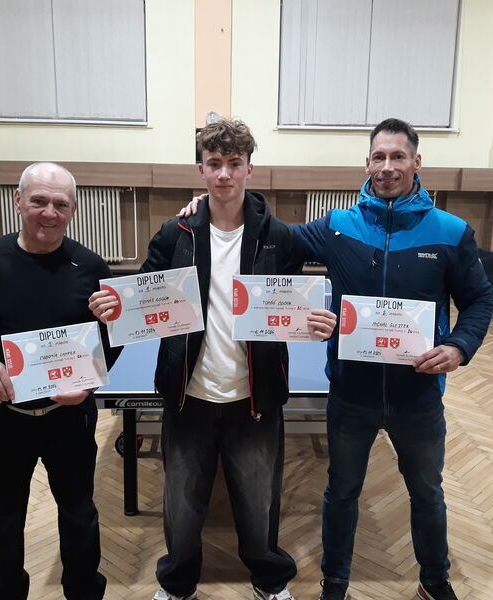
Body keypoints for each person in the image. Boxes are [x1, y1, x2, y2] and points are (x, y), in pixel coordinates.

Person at [181, 118, 493, 600]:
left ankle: (435, 580)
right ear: (367, 163)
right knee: (342, 491)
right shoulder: (339, 226)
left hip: (418, 396)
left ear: (416, 161)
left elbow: (479, 300)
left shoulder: (452, 232)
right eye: (379, 157)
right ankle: (336, 581)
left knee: (428, 493)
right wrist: (212, 205)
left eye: (398, 156)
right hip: (351, 394)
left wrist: (458, 346)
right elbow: (273, 237)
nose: (388, 166)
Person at [88, 119, 337, 600]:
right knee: (181, 504)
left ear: (249, 169)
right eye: (215, 163)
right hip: (189, 395)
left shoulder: (279, 237)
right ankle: (178, 585)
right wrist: (115, 308)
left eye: (234, 164)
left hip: (254, 395)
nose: (224, 174)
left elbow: (294, 305)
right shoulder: (175, 233)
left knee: (260, 501)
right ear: (201, 169)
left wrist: (315, 322)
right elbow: (144, 297)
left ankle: (269, 580)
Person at [0, 162, 120, 600]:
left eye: (61, 204)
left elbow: (112, 336)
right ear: (18, 201)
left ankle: (84, 593)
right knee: (2, 522)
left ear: (73, 209)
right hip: (3, 419)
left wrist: (90, 384)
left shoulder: (90, 266)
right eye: (39, 201)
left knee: (79, 516)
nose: (49, 213)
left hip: (69, 416)